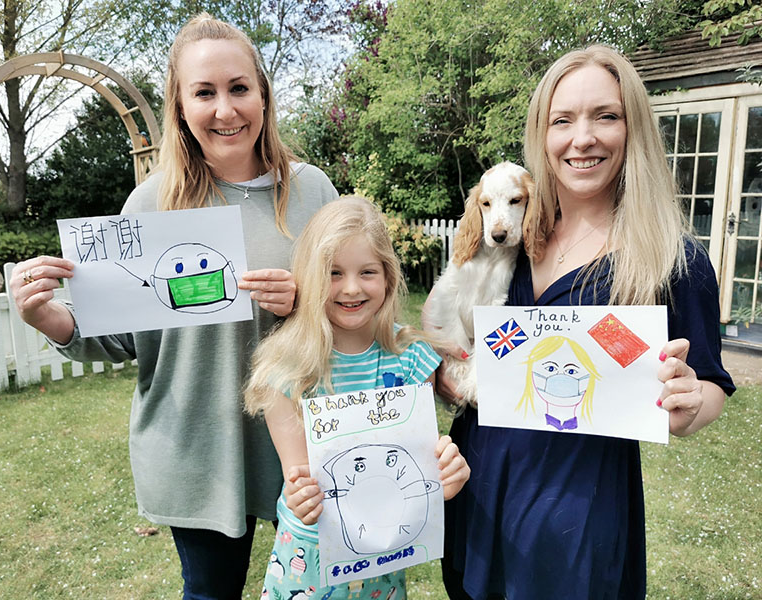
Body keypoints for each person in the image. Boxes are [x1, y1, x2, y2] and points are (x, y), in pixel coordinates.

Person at [8, 14, 338, 600]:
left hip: (304, 442)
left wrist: (306, 305)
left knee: (322, 588)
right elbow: (119, 337)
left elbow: (356, 303)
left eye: (239, 88)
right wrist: (46, 317)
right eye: (204, 92)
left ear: (263, 93)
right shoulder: (150, 204)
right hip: (195, 448)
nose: (226, 109)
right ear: (180, 106)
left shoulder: (313, 191)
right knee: (210, 592)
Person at [432, 45, 736, 600]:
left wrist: (692, 403)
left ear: (633, 127)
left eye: (606, 116)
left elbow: (711, 383)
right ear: (542, 134)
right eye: (562, 120)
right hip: (477, 491)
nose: (583, 138)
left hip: (575, 517)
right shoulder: (514, 240)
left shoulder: (672, 258)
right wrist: (443, 371)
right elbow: (457, 335)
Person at [244, 196, 471, 599]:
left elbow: (417, 465)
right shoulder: (287, 368)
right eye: (333, 273)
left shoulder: (412, 359)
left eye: (367, 272)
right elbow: (299, 477)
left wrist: (445, 476)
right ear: (310, 277)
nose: (351, 288)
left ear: (387, 277)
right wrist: (300, 496)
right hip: (308, 563)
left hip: (383, 557)